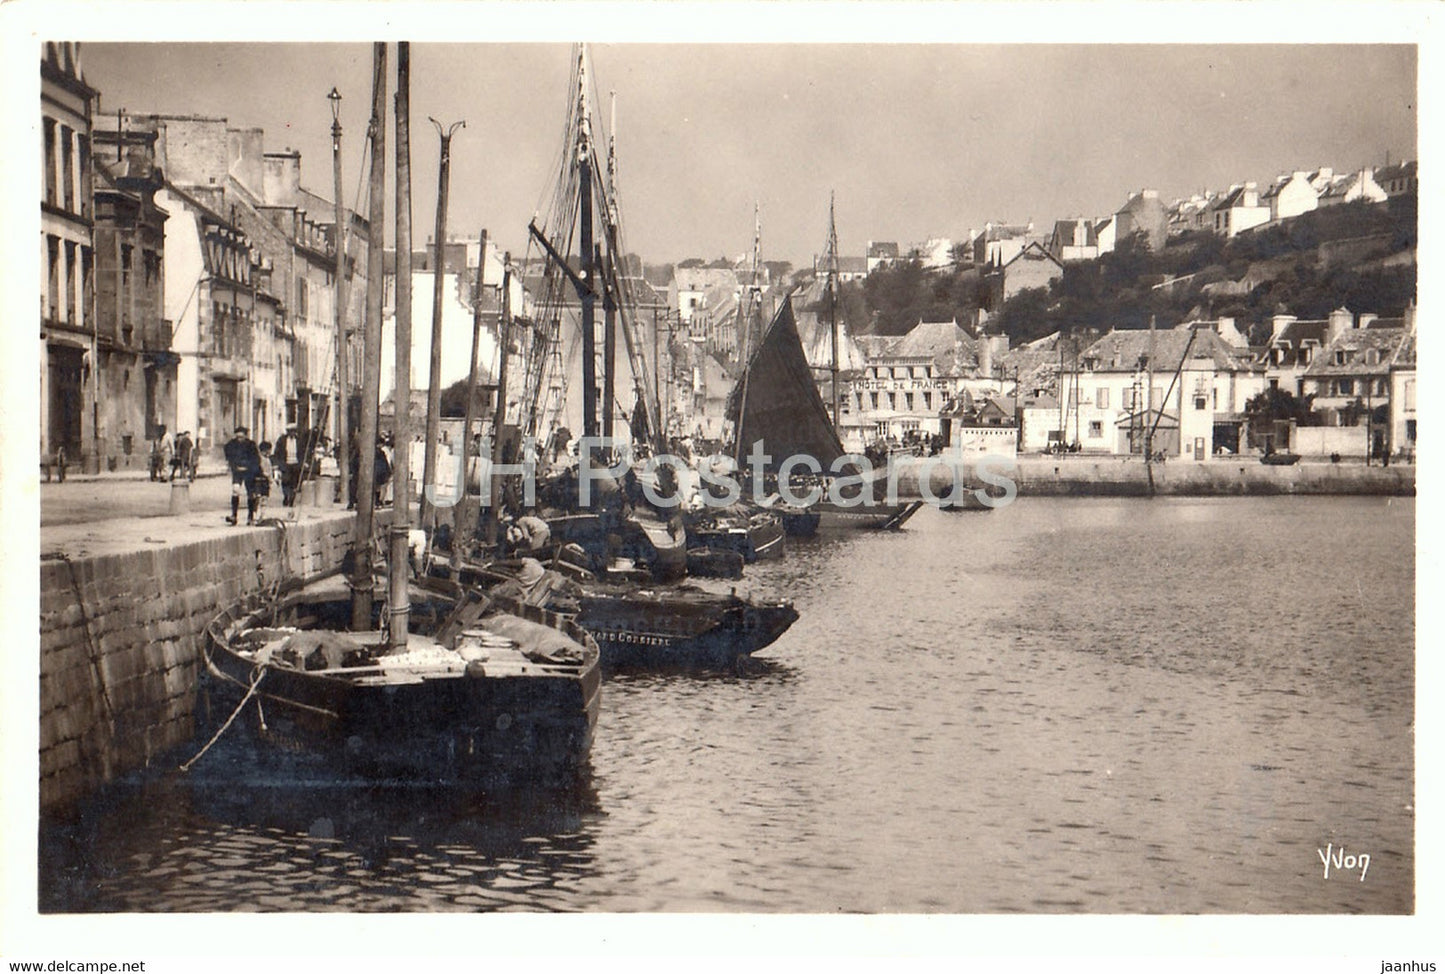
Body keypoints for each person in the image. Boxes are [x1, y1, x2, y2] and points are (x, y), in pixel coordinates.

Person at [222, 426, 264, 525]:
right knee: (235, 490)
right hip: (237, 471)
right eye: (238, 437)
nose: (239, 439)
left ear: (245, 436)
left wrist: (252, 468)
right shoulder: (231, 445)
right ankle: (234, 515)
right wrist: (233, 465)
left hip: (249, 472)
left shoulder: (251, 445)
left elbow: (256, 459)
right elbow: (228, 455)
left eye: (241, 437)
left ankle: (250, 516)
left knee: (250, 494)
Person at [272, 425, 303, 506]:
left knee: (294, 482)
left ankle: (292, 499)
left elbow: (303, 452)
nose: (292, 433)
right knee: (285, 481)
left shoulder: (299, 440)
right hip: (285, 464)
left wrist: (303, 462)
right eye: (290, 431)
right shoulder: (282, 440)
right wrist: (277, 464)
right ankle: (286, 496)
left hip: (296, 464)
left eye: (294, 431)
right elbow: (277, 452)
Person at [255, 441, 275, 518]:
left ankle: (262, 515)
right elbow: (265, 471)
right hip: (260, 480)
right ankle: (256, 514)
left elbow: (269, 471)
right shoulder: (259, 459)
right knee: (259, 497)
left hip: (264, 481)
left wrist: (270, 479)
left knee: (264, 498)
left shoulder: (268, 459)